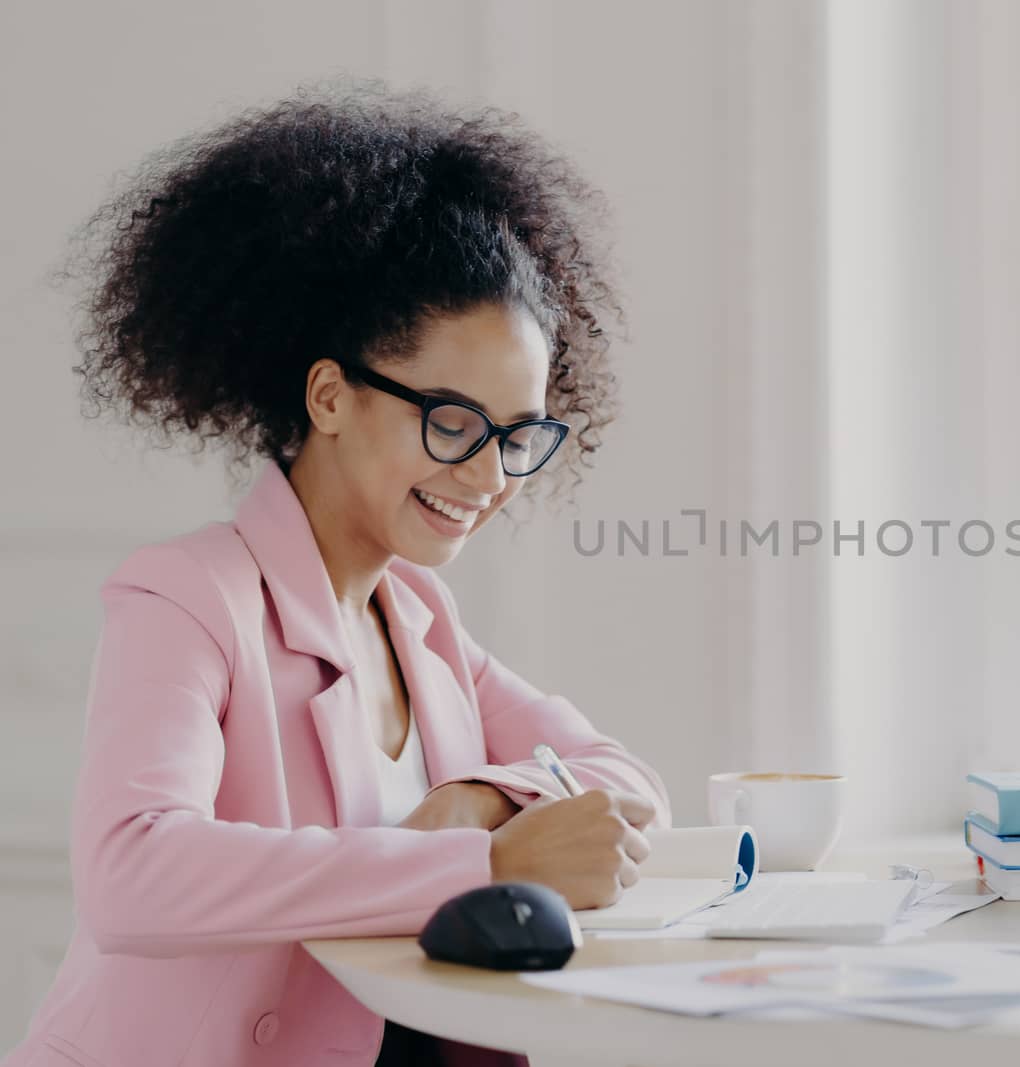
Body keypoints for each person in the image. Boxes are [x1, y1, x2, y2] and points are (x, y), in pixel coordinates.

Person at [3, 78, 669, 1067]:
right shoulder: (188, 597)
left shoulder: (421, 623)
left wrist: (475, 801)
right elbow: (131, 869)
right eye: (452, 422)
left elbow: (627, 784)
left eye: (517, 434)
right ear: (328, 396)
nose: (489, 474)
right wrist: (474, 859)